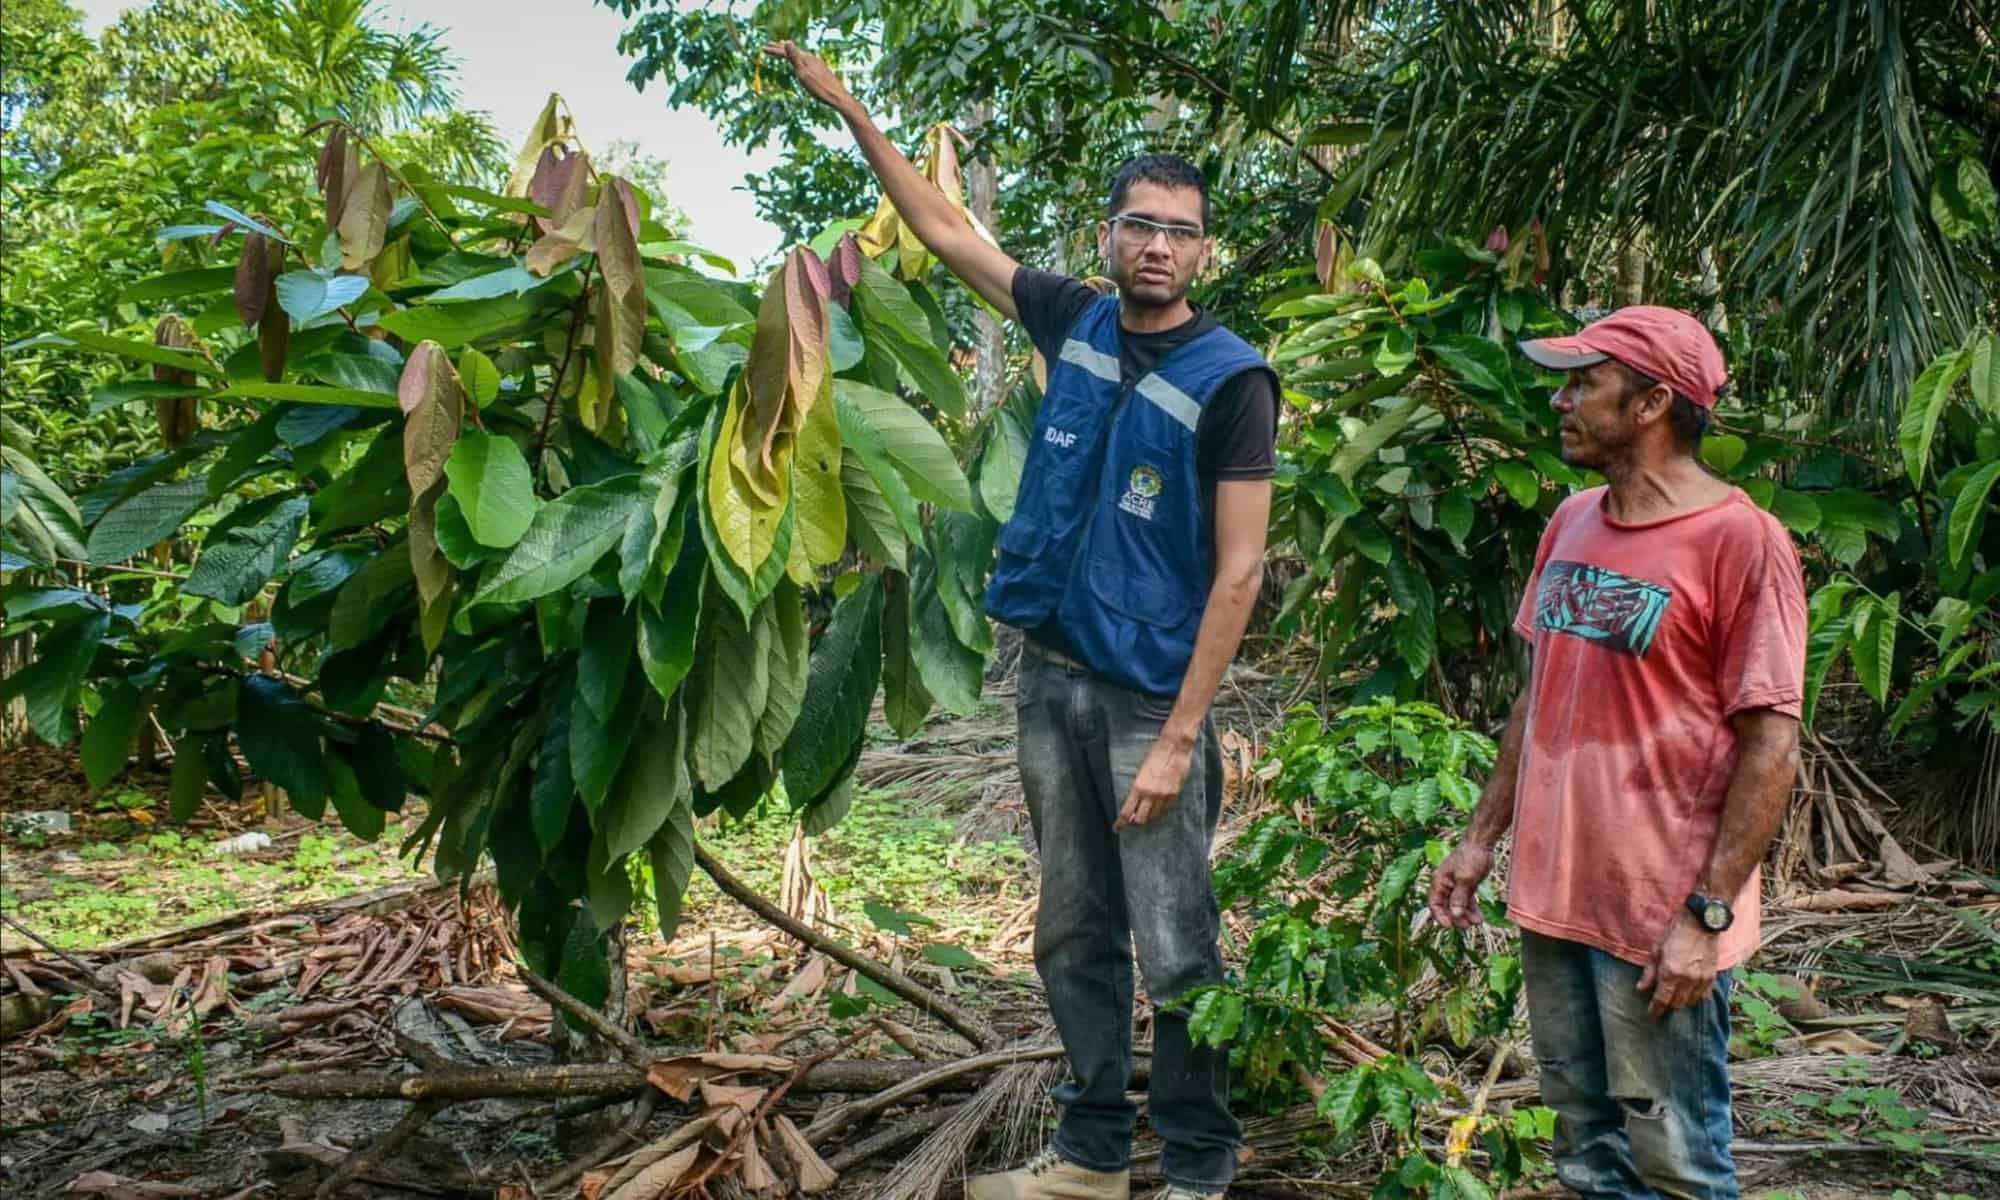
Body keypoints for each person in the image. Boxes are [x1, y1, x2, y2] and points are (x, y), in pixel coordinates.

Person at [765, 41, 1280, 1200]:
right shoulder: (1074, 322)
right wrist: (851, 106)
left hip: (1151, 698)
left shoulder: (1230, 378)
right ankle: (1093, 1157)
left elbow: (1240, 574)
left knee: (1178, 941)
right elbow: (948, 233)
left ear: (1203, 248)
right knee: (1070, 930)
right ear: (1106, 234)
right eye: (1137, 224)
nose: (1156, 245)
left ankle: (1198, 1167)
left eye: (1179, 231)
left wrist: (1182, 735)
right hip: (1051, 678)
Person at [1428, 306, 1806, 1199]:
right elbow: (1538, 693)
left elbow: (1771, 747)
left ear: (1651, 403)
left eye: (1581, 383)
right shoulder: (1570, 521)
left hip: (1655, 919)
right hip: (1555, 898)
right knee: (1588, 1153)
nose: (1559, 401)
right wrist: (1482, 840)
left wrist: (1704, 919)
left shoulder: (1741, 542)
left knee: (1674, 1163)